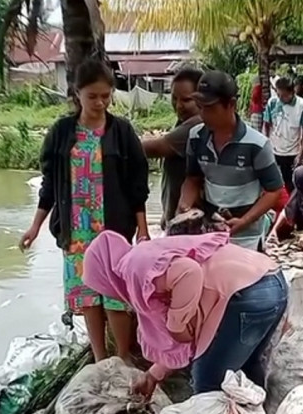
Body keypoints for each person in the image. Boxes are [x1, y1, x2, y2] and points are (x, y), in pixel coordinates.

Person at [19, 59, 150, 363]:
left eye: (106, 95)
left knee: (116, 296)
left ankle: (122, 355)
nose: (100, 102)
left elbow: (137, 183)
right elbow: (49, 185)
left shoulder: (122, 132)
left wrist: (142, 228)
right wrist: (35, 227)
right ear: (77, 93)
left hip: (113, 231)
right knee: (88, 294)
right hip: (76, 230)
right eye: (93, 96)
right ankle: (100, 356)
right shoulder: (62, 133)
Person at [82, 230, 288, 395]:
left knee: (208, 383)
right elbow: (183, 340)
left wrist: (176, 324)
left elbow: (189, 271)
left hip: (249, 292)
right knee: (247, 365)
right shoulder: (145, 260)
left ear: (105, 275)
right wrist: (153, 375)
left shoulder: (135, 267)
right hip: (273, 282)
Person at [179, 70, 284, 251]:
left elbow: (274, 191)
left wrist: (245, 220)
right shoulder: (196, 137)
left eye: (210, 108)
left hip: (248, 237)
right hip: (211, 233)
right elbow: (193, 179)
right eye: (200, 107)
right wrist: (185, 203)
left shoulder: (257, 144)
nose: (203, 114)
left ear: (231, 104)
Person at [143, 67, 203, 229]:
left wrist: (117, 139)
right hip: (176, 213)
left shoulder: (196, 124)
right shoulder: (184, 122)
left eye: (186, 100)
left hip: (188, 217)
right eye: (174, 98)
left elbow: (155, 148)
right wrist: (166, 213)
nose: (178, 105)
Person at [263, 76, 303, 193]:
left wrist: (301, 153)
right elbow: (266, 124)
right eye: (278, 94)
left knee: (291, 183)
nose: (281, 98)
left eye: (284, 95)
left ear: (292, 92)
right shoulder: (272, 102)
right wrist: (265, 145)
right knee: (273, 182)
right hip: (274, 149)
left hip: (292, 151)